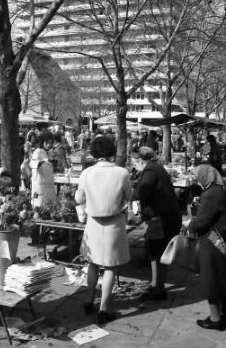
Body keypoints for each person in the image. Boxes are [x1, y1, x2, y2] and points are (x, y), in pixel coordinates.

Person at [75, 136, 132, 325]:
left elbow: (79, 199)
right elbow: (129, 196)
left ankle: (88, 299)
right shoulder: (121, 172)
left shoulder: (87, 173)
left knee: (92, 263)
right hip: (114, 222)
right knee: (110, 266)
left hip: (93, 222)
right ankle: (104, 308)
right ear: (111, 151)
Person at [133, 146, 182, 300]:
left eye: (133, 162)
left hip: (162, 218)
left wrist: (125, 192)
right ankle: (155, 285)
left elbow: (142, 191)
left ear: (140, 160)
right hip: (164, 216)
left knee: (159, 253)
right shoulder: (155, 168)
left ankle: (159, 289)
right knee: (154, 253)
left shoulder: (150, 171)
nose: (133, 165)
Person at [185, 164, 226, 331]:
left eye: (198, 177)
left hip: (212, 241)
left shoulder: (212, 194)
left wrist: (190, 225)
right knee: (220, 278)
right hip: (218, 238)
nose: (197, 181)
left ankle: (215, 319)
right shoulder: (217, 190)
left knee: (212, 279)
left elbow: (203, 220)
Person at [29, 132, 56, 208]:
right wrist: (43, 161)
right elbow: (32, 163)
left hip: (47, 183)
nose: (49, 145)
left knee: (48, 203)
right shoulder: (37, 152)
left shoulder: (46, 152)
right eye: (48, 143)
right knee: (39, 203)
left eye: (51, 143)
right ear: (43, 142)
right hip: (39, 183)